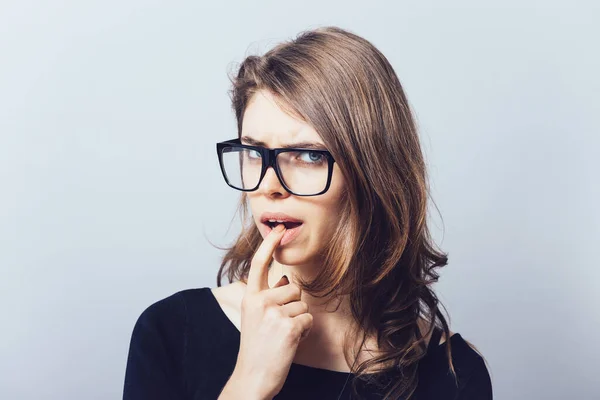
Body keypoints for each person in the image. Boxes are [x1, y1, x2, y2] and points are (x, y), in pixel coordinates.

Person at [122, 26, 493, 400]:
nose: (270, 185)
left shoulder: (454, 376)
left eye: (308, 155)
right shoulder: (172, 333)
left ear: (374, 174)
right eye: (254, 152)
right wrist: (250, 382)